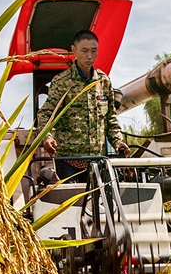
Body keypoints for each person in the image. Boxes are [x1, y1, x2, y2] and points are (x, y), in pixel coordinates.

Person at [37, 30, 129, 180]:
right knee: (72, 203)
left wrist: (117, 140)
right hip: (68, 164)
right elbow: (45, 114)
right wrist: (46, 138)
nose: (89, 56)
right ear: (74, 50)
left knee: (101, 203)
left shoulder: (103, 81)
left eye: (94, 51)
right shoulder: (62, 82)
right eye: (84, 51)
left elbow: (110, 118)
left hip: (98, 163)